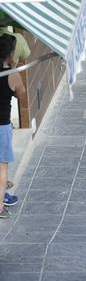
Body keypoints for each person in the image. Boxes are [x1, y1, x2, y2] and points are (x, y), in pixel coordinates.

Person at [0, 35, 26, 219]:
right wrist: (14, 67)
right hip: (1, 128)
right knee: (2, 169)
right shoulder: (12, 75)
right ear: (10, 54)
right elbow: (21, 94)